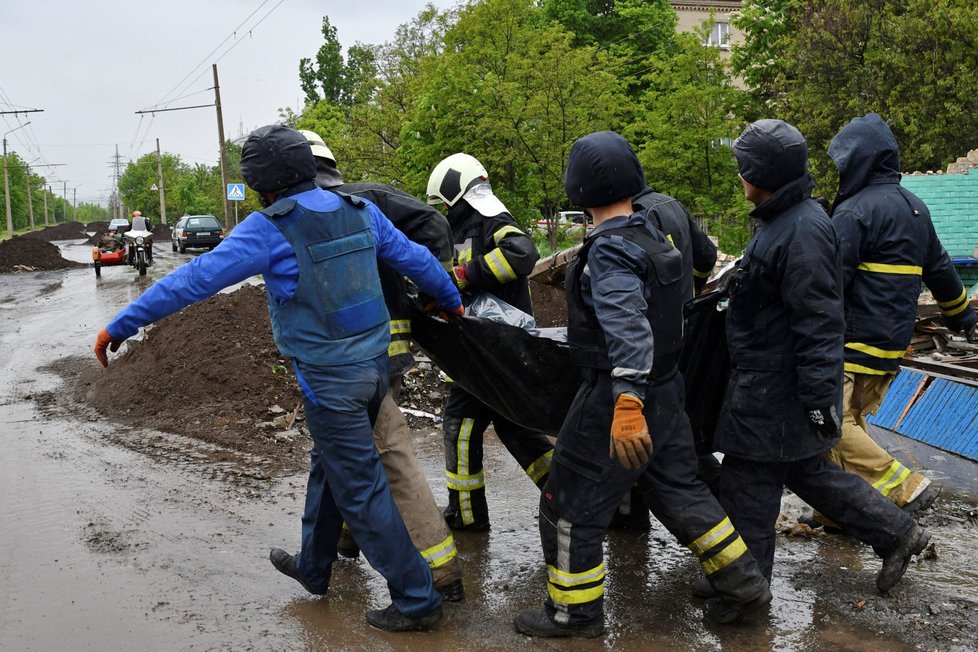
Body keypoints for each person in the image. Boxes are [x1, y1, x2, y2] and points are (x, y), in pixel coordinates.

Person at [93, 125, 462, 632]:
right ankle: (314, 567)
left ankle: (417, 600)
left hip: (330, 384)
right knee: (327, 462)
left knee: (361, 489)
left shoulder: (271, 228)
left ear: (261, 185)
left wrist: (122, 323)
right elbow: (417, 259)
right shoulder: (361, 211)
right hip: (376, 372)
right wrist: (450, 296)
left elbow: (195, 280)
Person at [514, 131, 771, 638]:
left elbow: (628, 327)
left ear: (577, 190)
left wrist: (626, 401)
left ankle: (574, 612)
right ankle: (745, 585)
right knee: (681, 490)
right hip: (668, 389)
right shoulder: (654, 235)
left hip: (619, 396)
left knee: (566, 505)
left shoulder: (609, 251)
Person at [714, 118, 931, 597]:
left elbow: (819, 321)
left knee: (747, 484)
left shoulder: (802, 231)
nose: (739, 176)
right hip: (775, 381)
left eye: (742, 168)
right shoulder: (785, 221)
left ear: (759, 175)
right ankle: (899, 534)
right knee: (807, 472)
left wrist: (817, 397)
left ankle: (743, 591)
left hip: (777, 386)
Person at [299, 129, 464, 600]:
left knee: (387, 452)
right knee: (338, 453)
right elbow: (431, 226)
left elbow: (433, 224)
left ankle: (439, 573)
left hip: (358, 359)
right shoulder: (346, 205)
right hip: (371, 354)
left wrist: (429, 293)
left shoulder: (356, 201)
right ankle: (334, 547)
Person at [820, 113, 977, 517]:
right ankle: (840, 513)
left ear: (860, 161)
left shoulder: (854, 213)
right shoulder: (916, 210)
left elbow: (828, 284)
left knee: (828, 427)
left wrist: (806, 334)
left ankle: (909, 489)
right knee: (852, 420)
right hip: (890, 347)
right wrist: (964, 320)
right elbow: (943, 273)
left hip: (851, 343)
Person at [425, 153, 555, 531]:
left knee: (460, 424)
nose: (445, 209)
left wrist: (469, 273)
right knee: (515, 427)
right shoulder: (465, 226)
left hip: (496, 344)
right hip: (486, 345)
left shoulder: (491, 217)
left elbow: (523, 253)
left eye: (446, 201)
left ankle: (466, 515)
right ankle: (566, 494)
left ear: (458, 190)